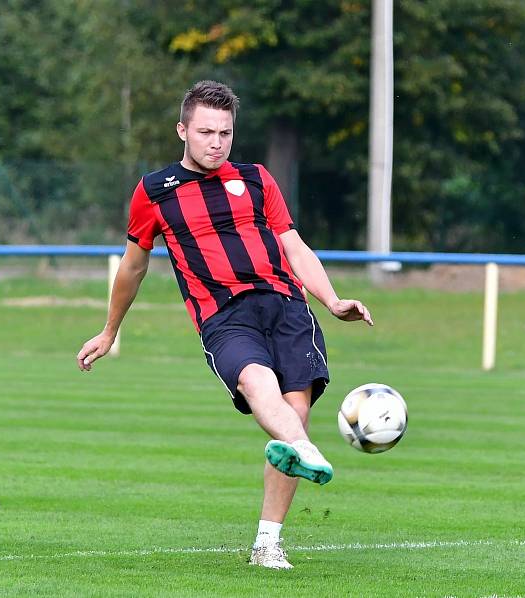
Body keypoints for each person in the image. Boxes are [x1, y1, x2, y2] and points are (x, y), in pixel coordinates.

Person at [76, 80, 372, 568]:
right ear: (182, 131)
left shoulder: (257, 179)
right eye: (206, 132)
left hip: (287, 306)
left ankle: (267, 543)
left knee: (291, 413)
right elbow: (133, 266)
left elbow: (294, 246)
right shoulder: (154, 190)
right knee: (259, 384)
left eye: (225, 133)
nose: (216, 142)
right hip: (223, 315)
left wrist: (333, 299)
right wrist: (110, 331)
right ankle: (304, 448)